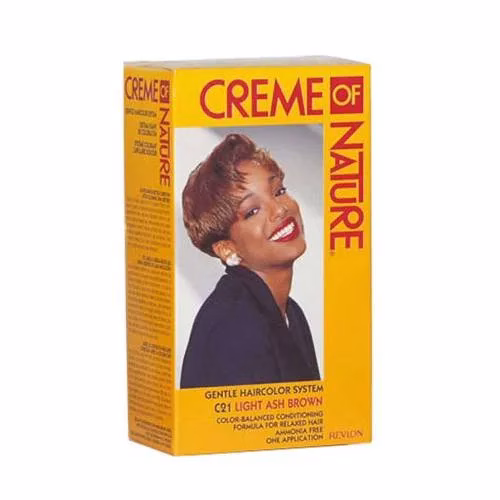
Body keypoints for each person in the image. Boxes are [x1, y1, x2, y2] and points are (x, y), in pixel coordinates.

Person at [180, 133, 320, 388]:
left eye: (278, 191)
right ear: (226, 249)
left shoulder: (291, 314)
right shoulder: (231, 326)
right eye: (252, 211)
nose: (280, 209)